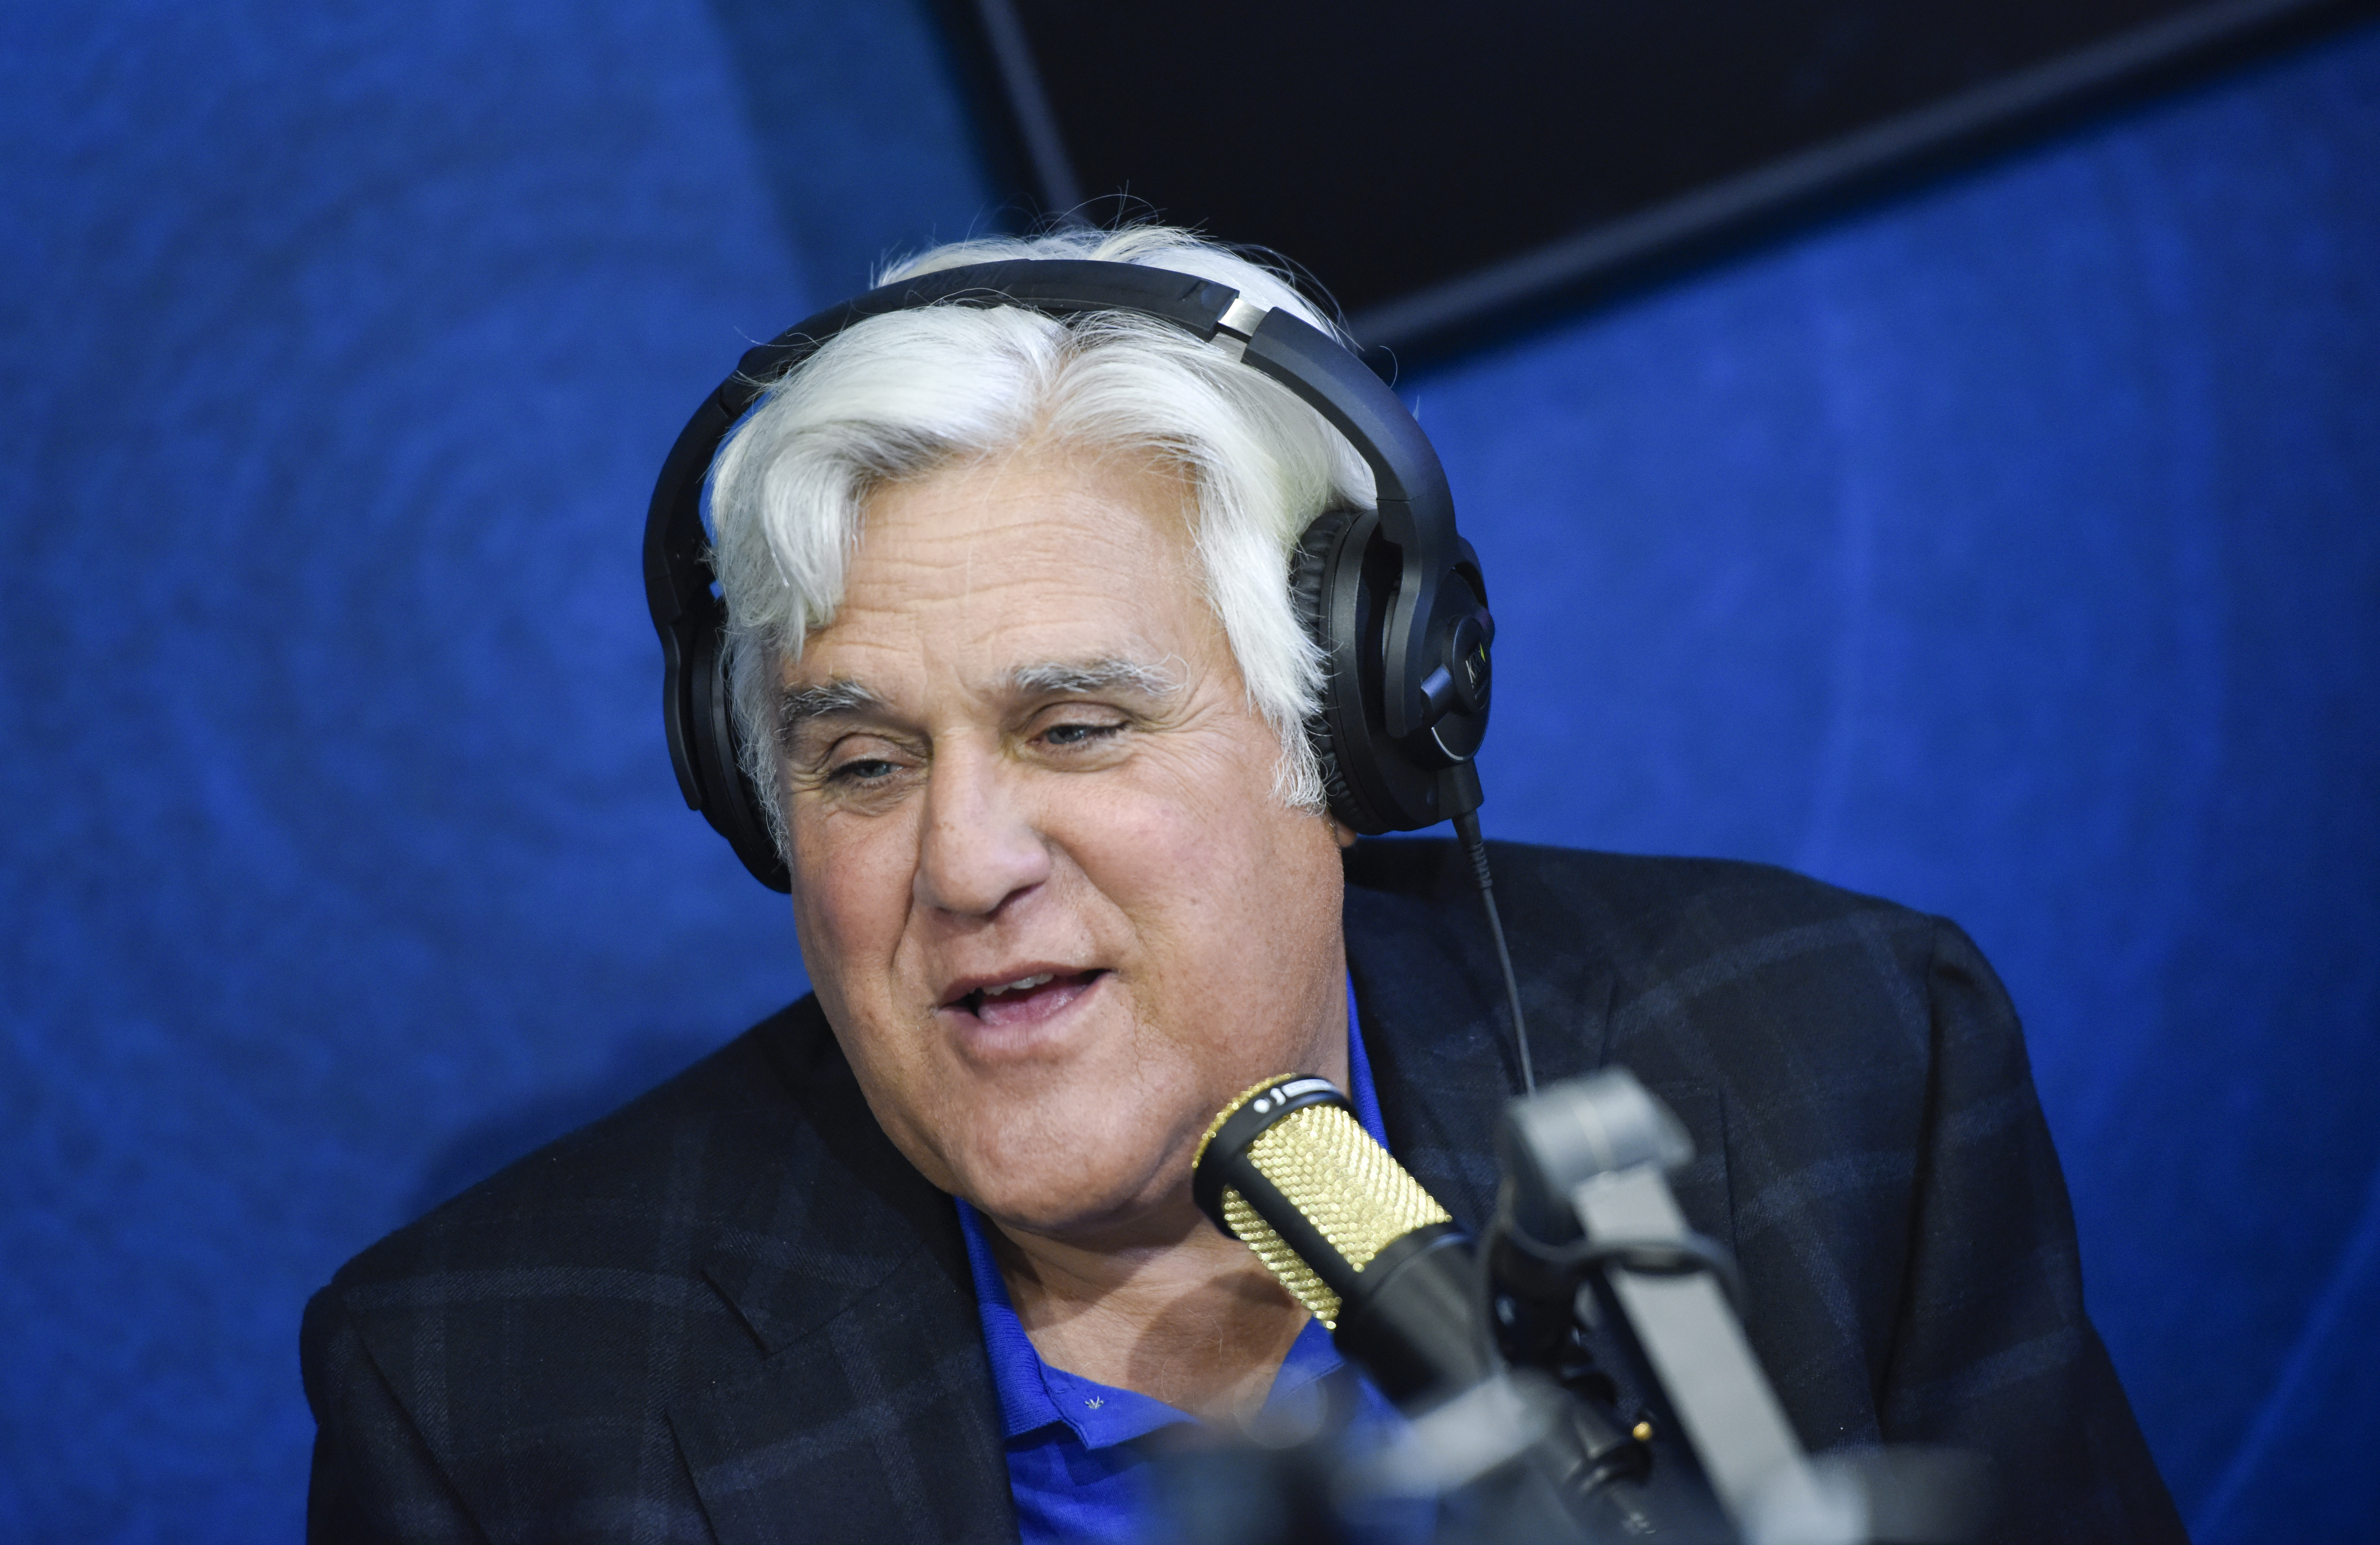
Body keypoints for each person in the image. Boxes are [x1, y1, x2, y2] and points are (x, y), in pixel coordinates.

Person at [301, 226, 2187, 1544]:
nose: (960, 862)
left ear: (1347, 743)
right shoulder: (498, 1389)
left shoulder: (1829, 1069)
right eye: (863, 763)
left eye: (1073, 727)